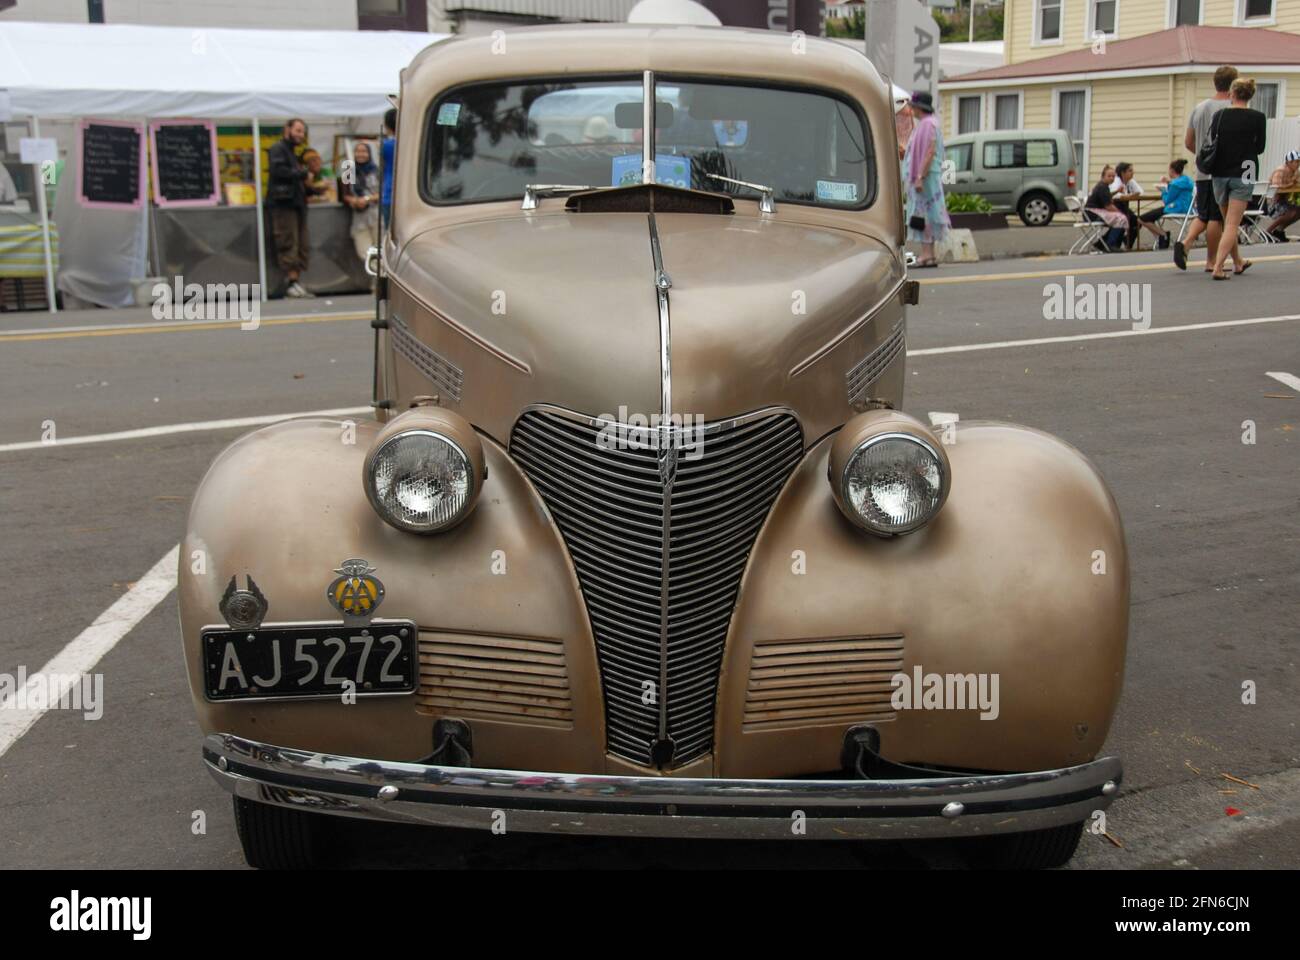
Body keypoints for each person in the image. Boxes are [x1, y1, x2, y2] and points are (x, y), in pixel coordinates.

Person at [1175, 65, 1237, 272]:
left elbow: (1189, 142)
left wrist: (1203, 158)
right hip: (1222, 170)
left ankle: (1186, 243)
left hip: (1202, 170)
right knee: (1215, 218)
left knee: (1203, 213)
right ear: (1233, 84)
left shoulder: (1199, 107)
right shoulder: (1231, 108)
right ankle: (1210, 260)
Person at [1207, 77, 1267, 280]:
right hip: (1246, 170)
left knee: (1227, 222)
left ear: (1232, 93)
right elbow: (1260, 147)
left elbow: (1212, 140)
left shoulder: (1219, 116)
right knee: (1233, 224)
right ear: (1250, 95)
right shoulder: (1258, 117)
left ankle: (1238, 262)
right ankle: (1218, 267)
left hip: (1220, 170)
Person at [902, 91, 950, 269]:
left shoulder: (927, 125)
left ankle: (926, 254)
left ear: (918, 108)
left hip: (926, 177)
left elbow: (929, 151)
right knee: (928, 214)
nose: (911, 110)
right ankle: (929, 255)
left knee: (923, 214)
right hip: (929, 176)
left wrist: (920, 176)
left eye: (913, 107)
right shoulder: (930, 124)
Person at [267, 118, 313, 298]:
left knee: (301, 243)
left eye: (302, 131)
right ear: (287, 129)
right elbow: (278, 171)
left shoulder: (293, 152)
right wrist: (302, 173)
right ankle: (291, 283)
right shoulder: (278, 149)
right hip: (283, 204)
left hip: (296, 203)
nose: (300, 135)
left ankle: (296, 282)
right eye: (298, 130)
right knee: (288, 241)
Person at [341, 141, 381, 272]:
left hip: (376, 214)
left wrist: (367, 198)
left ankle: (377, 283)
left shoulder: (377, 170)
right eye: (357, 151)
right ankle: (377, 276)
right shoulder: (348, 169)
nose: (361, 154)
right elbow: (344, 194)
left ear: (369, 153)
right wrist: (355, 200)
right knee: (364, 250)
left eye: (364, 151)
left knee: (379, 248)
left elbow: (385, 192)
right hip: (359, 215)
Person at [1140, 159, 1194, 249]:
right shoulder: (1187, 180)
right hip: (1187, 209)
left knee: (1141, 219)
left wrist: (1163, 190)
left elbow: (1167, 200)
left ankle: (1162, 235)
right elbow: (1179, 189)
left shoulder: (1175, 184)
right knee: (1151, 217)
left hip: (1174, 207)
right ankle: (1161, 237)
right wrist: (1169, 182)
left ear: (1172, 171)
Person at [1084, 165, 1129, 252]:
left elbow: (1106, 197)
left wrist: (1116, 191)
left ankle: (1101, 243)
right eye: (1109, 176)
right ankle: (1110, 244)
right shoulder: (1102, 187)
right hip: (1092, 214)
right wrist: (1120, 213)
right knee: (1121, 219)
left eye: (1113, 176)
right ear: (1103, 176)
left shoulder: (1102, 186)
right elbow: (1108, 206)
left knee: (1119, 220)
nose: (1111, 178)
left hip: (1089, 213)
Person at [1108, 162, 1146, 249]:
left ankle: (1128, 242)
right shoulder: (1116, 181)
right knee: (1124, 219)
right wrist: (1128, 195)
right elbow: (1114, 195)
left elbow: (1140, 191)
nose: (1133, 173)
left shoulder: (1129, 181)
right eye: (1130, 171)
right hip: (1113, 207)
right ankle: (1113, 243)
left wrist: (1133, 192)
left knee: (1138, 222)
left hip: (1123, 207)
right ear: (1122, 173)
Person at [1264, 150, 1300, 241]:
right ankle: (1267, 231)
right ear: (1289, 162)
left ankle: (1279, 231)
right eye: (1297, 162)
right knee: (1291, 212)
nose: (1298, 164)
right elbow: (1277, 188)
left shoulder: (1296, 172)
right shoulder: (1280, 170)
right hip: (1272, 203)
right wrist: (1290, 185)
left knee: (1298, 210)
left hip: (1284, 201)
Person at [380, 108, 397, 234]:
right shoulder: (411, 144)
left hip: (388, 194)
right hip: (407, 195)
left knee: (389, 233)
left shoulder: (385, 145)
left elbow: (381, 167)